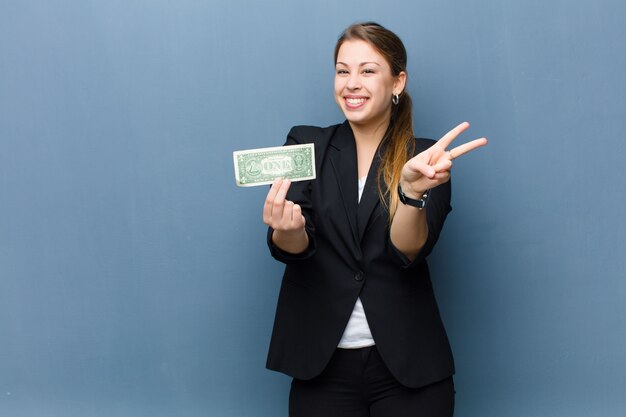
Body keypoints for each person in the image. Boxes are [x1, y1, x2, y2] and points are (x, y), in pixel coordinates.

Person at [262, 22, 487, 417]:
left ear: (397, 82)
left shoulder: (426, 157)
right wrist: (288, 229)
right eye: (342, 70)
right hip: (321, 366)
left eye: (368, 70)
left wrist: (412, 191)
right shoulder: (305, 144)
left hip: (410, 370)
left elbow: (409, 249)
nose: (352, 83)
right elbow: (293, 248)